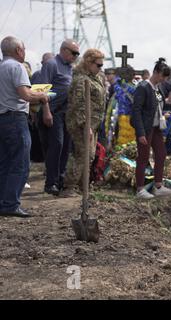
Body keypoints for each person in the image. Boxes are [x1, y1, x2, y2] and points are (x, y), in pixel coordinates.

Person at [0, 36, 50, 218]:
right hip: (15, 117)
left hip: (2, 118)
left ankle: (3, 201)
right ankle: (11, 204)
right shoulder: (17, 67)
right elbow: (25, 94)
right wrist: (42, 96)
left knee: (4, 162)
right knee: (20, 163)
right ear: (18, 51)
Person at [36, 39, 80, 196]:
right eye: (74, 53)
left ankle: (61, 180)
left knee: (66, 146)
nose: (76, 56)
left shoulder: (70, 68)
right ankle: (51, 183)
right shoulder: (51, 64)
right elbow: (42, 89)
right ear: (65, 50)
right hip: (53, 112)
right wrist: (46, 110)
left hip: (66, 113)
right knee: (57, 145)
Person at [132, 58, 171, 199]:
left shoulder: (158, 88)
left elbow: (157, 106)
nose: (164, 79)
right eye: (163, 76)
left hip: (156, 127)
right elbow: (136, 111)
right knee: (143, 158)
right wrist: (140, 132)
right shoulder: (143, 87)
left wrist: (165, 112)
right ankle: (140, 189)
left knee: (161, 154)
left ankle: (158, 185)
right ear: (156, 72)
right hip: (146, 128)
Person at [62, 49, 106, 194]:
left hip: (93, 124)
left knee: (90, 155)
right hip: (81, 124)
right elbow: (79, 104)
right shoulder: (81, 79)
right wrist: (85, 125)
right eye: (98, 65)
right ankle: (69, 186)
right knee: (82, 154)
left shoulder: (96, 77)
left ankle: (83, 185)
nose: (101, 68)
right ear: (89, 63)